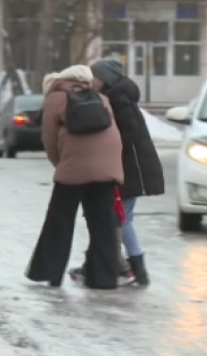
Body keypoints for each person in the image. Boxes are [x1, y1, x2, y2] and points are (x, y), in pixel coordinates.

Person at [25, 65, 124, 289]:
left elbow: (49, 139)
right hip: (109, 165)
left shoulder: (55, 98)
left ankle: (50, 273)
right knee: (102, 221)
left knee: (60, 220)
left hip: (74, 166)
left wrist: (61, 165)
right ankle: (104, 279)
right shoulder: (100, 98)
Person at [82, 59, 165, 286]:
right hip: (129, 166)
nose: (91, 81)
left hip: (131, 168)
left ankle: (137, 269)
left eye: (94, 77)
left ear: (105, 79)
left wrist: (107, 147)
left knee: (122, 218)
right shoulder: (117, 96)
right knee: (117, 217)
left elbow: (128, 133)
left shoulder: (119, 100)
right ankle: (106, 264)